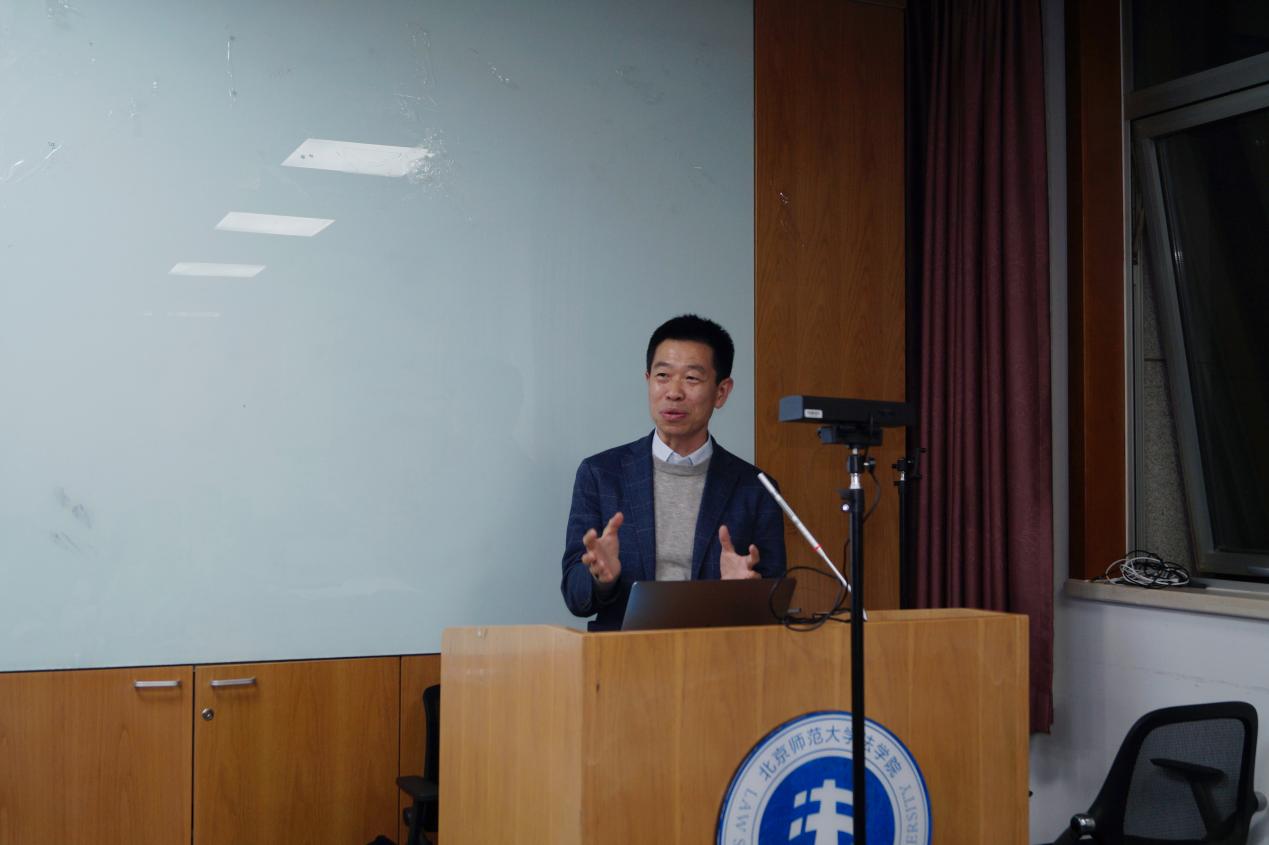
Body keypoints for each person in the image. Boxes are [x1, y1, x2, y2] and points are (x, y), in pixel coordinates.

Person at [560, 314, 787, 630]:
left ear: (721, 392)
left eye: (692, 378)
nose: (674, 392)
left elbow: (775, 604)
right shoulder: (601, 475)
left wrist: (745, 591)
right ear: (648, 380)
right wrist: (601, 577)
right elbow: (575, 596)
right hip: (623, 653)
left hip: (717, 653)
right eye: (663, 375)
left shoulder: (756, 488)